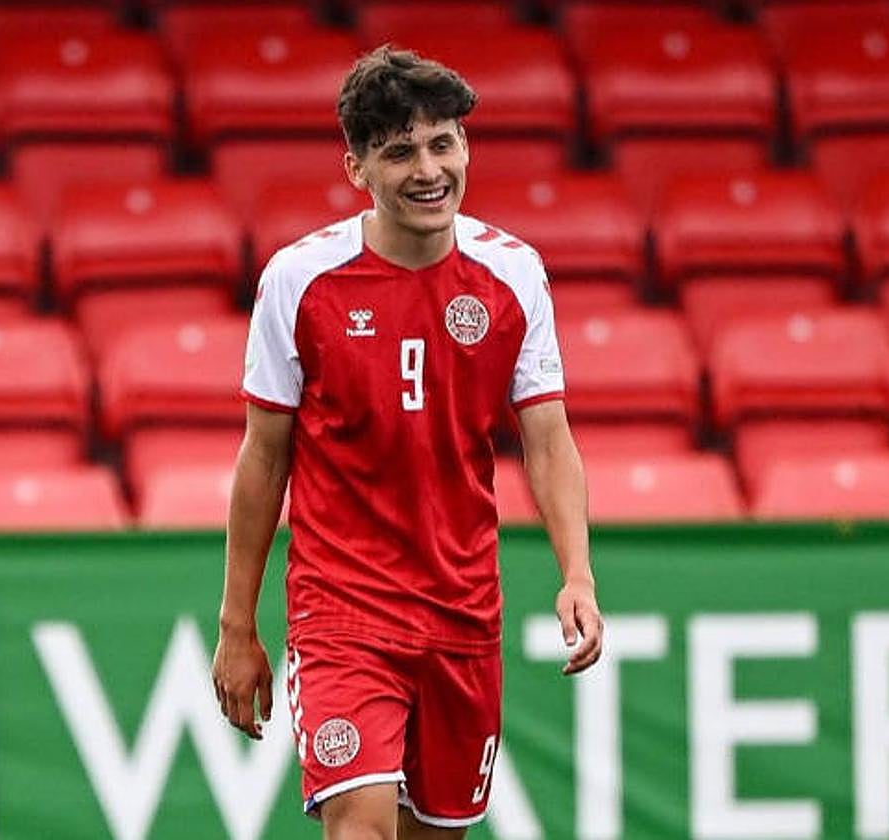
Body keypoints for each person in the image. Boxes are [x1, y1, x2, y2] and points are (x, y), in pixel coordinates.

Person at [211, 46, 603, 840]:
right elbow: (264, 458)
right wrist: (236, 624)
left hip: (462, 613)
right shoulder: (299, 281)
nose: (428, 171)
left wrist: (577, 574)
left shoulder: (513, 275)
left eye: (441, 144)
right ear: (356, 169)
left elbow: (547, 440)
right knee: (361, 825)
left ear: (465, 146)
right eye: (399, 153)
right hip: (342, 612)